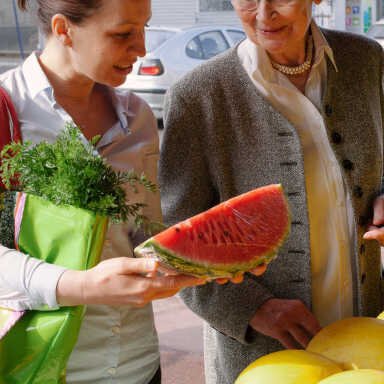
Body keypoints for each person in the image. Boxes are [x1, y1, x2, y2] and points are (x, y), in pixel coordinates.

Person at [159, 1, 384, 383]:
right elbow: (176, 248)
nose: (263, 14)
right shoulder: (198, 96)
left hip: (365, 333)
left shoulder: (366, 60)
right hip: (263, 354)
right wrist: (253, 308)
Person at [0, 1, 210, 383]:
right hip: (40, 367)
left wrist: (212, 261)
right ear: (64, 30)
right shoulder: (7, 110)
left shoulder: (139, 118)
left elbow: (145, 239)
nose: (142, 48)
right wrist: (82, 286)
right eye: (122, 34)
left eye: (145, 28)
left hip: (137, 362)